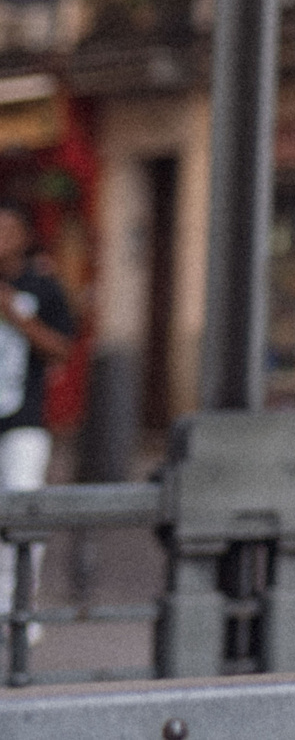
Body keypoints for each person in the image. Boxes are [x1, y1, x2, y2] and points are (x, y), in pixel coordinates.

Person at [0, 200, 76, 629]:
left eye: (7, 230)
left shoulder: (42, 287)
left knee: (24, 507)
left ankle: (21, 611)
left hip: (24, 417)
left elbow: (63, 348)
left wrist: (18, 319)